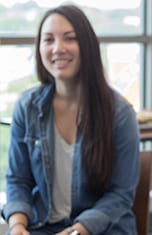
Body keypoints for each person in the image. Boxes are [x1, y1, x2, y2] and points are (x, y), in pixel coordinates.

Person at [1, 4, 140, 235]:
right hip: (43, 226)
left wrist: (77, 231)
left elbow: (121, 193)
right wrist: (17, 225)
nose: (58, 48)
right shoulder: (27, 107)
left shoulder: (119, 112)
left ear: (86, 46)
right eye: (48, 40)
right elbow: (18, 179)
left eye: (69, 38)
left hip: (102, 228)